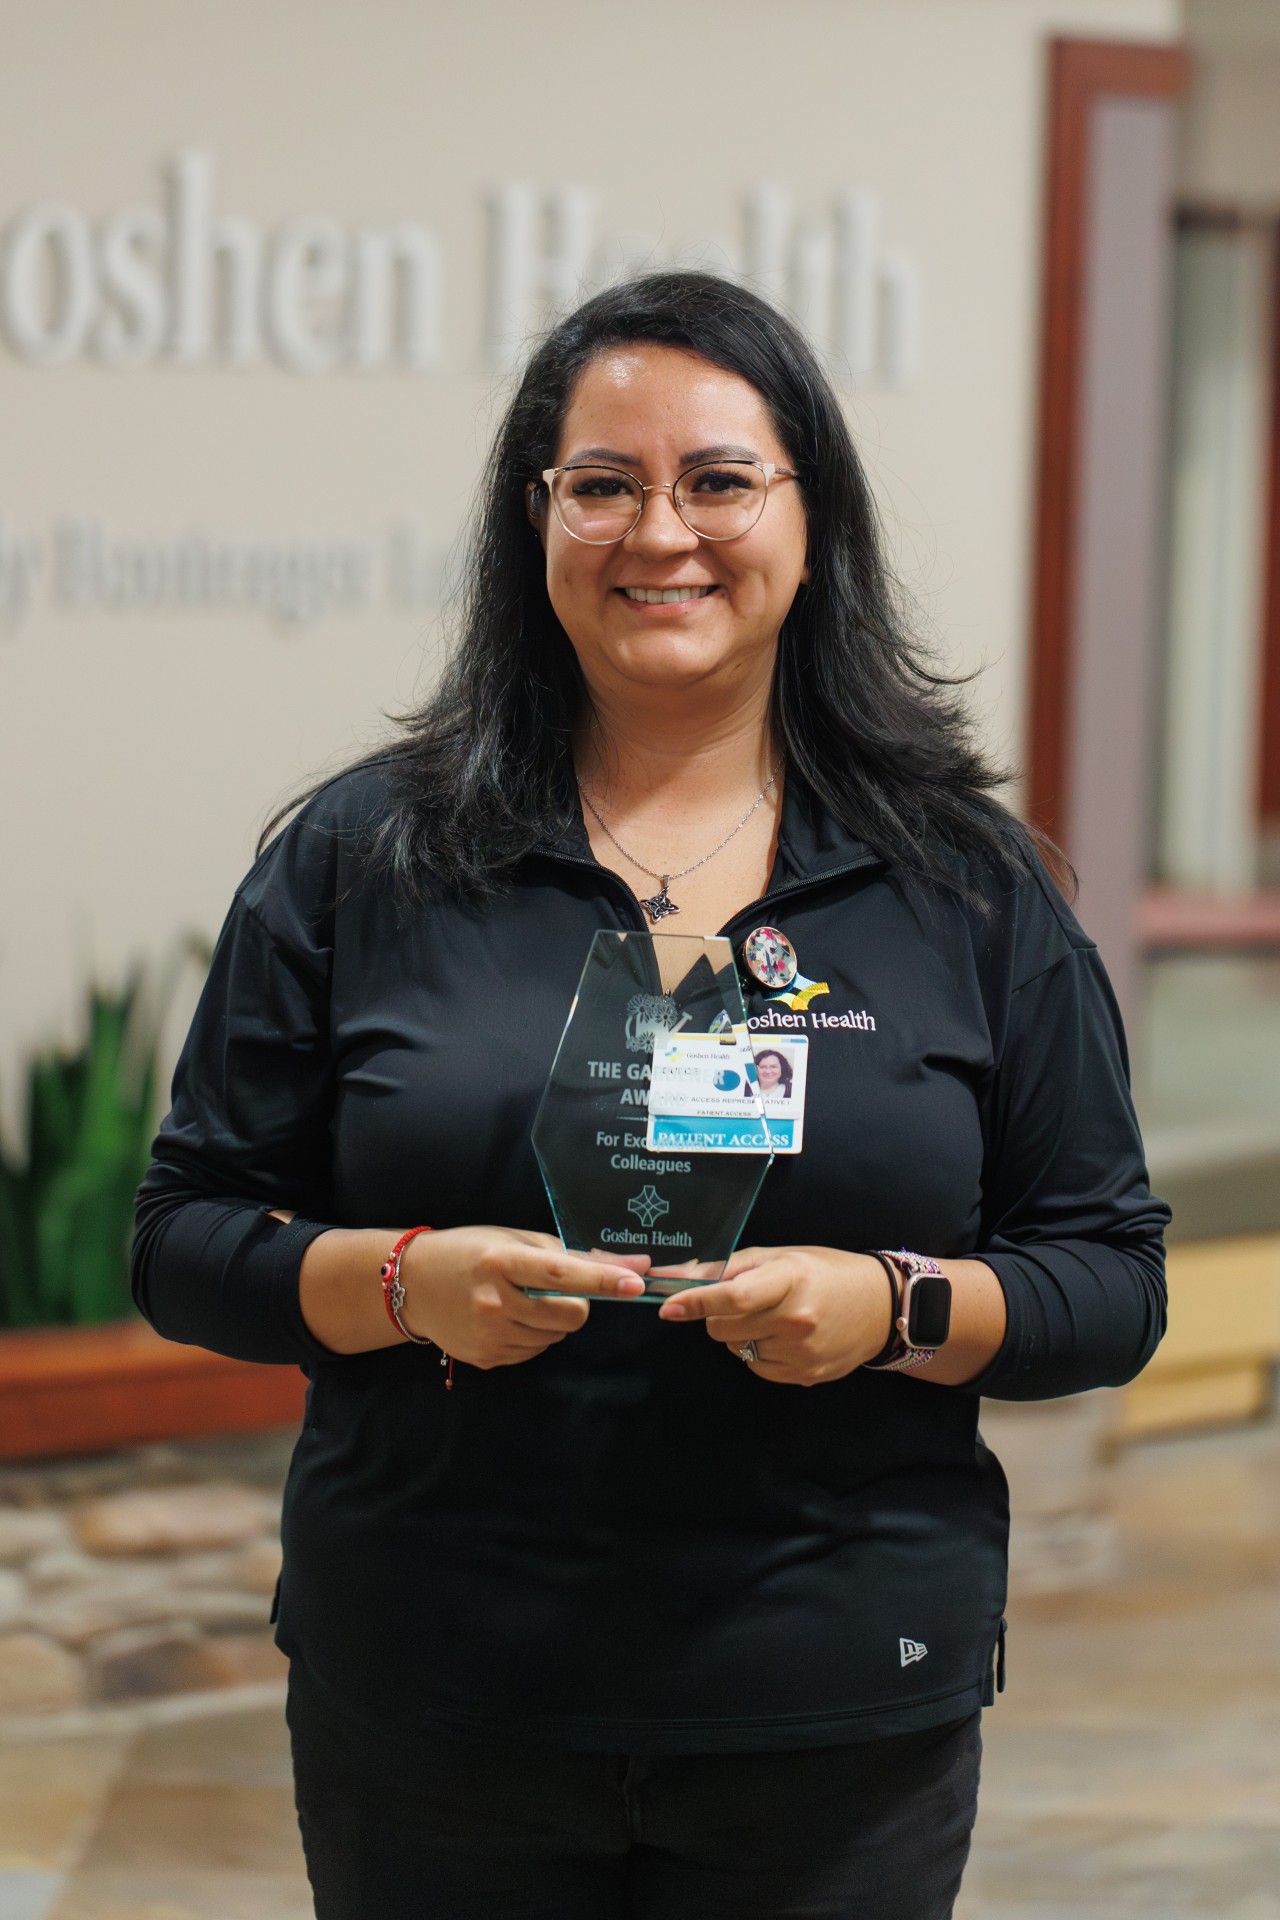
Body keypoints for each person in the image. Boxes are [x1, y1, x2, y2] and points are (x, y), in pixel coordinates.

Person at [132, 270, 1168, 1920]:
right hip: (439, 1697)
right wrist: (404, 1285)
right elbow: (183, 1239)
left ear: (811, 522)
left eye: (719, 480)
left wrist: (891, 1304)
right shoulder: (363, 858)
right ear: (531, 523)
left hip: (832, 1703)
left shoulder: (964, 887)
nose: (658, 531)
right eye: (601, 484)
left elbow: (1109, 1280)